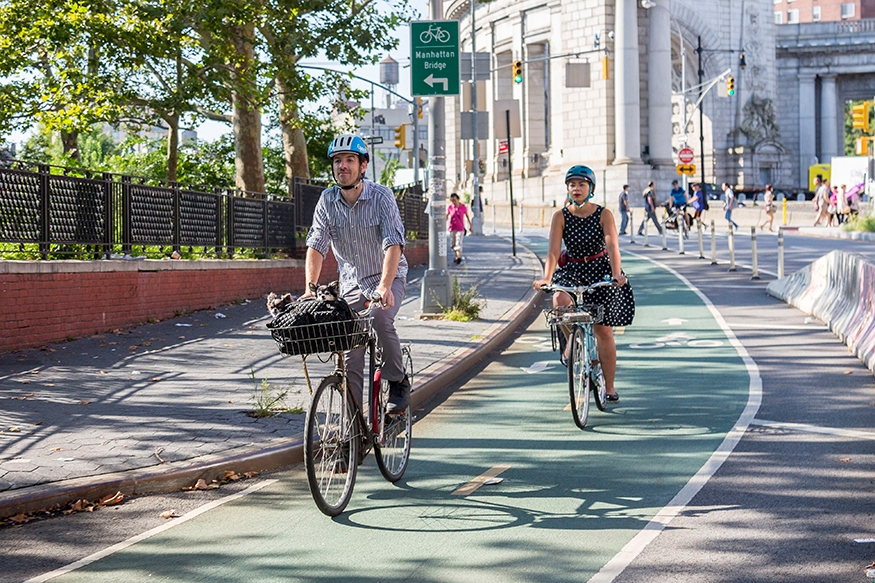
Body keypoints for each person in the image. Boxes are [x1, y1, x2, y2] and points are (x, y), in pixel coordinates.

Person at [304, 134, 410, 413]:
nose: (343, 166)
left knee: (378, 318)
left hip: (387, 277)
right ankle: (352, 427)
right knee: (349, 349)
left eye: (350, 160)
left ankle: (398, 380)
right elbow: (316, 245)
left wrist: (385, 286)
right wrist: (309, 289)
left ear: (363, 165)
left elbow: (393, 243)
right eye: (338, 161)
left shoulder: (381, 196)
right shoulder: (327, 200)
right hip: (351, 284)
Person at [532, 165, 635, 402]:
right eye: (572, 184)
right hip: (573, 269)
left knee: (603, 330)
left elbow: (612, 247)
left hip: (600, 269)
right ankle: (571, 341)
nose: (576, 189)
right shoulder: (561, 216)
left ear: (591, 188)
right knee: (559, 300)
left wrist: (616, 274)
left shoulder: (604, 214)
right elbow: (553, 251)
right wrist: (547, 278)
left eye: (581, 184)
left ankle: (609, 387)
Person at [447, 193, 472, 264]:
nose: (453, 202)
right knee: (453, 244)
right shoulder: (450, 207)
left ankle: (458, 257)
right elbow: (447, 215)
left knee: (458, 243)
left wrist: (470, 226)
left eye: (454, 200)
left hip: (460, 228)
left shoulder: (463, 207)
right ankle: (456, 256)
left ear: (458, 199)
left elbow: (467, 217)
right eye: (452, 201)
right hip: (452, 228)